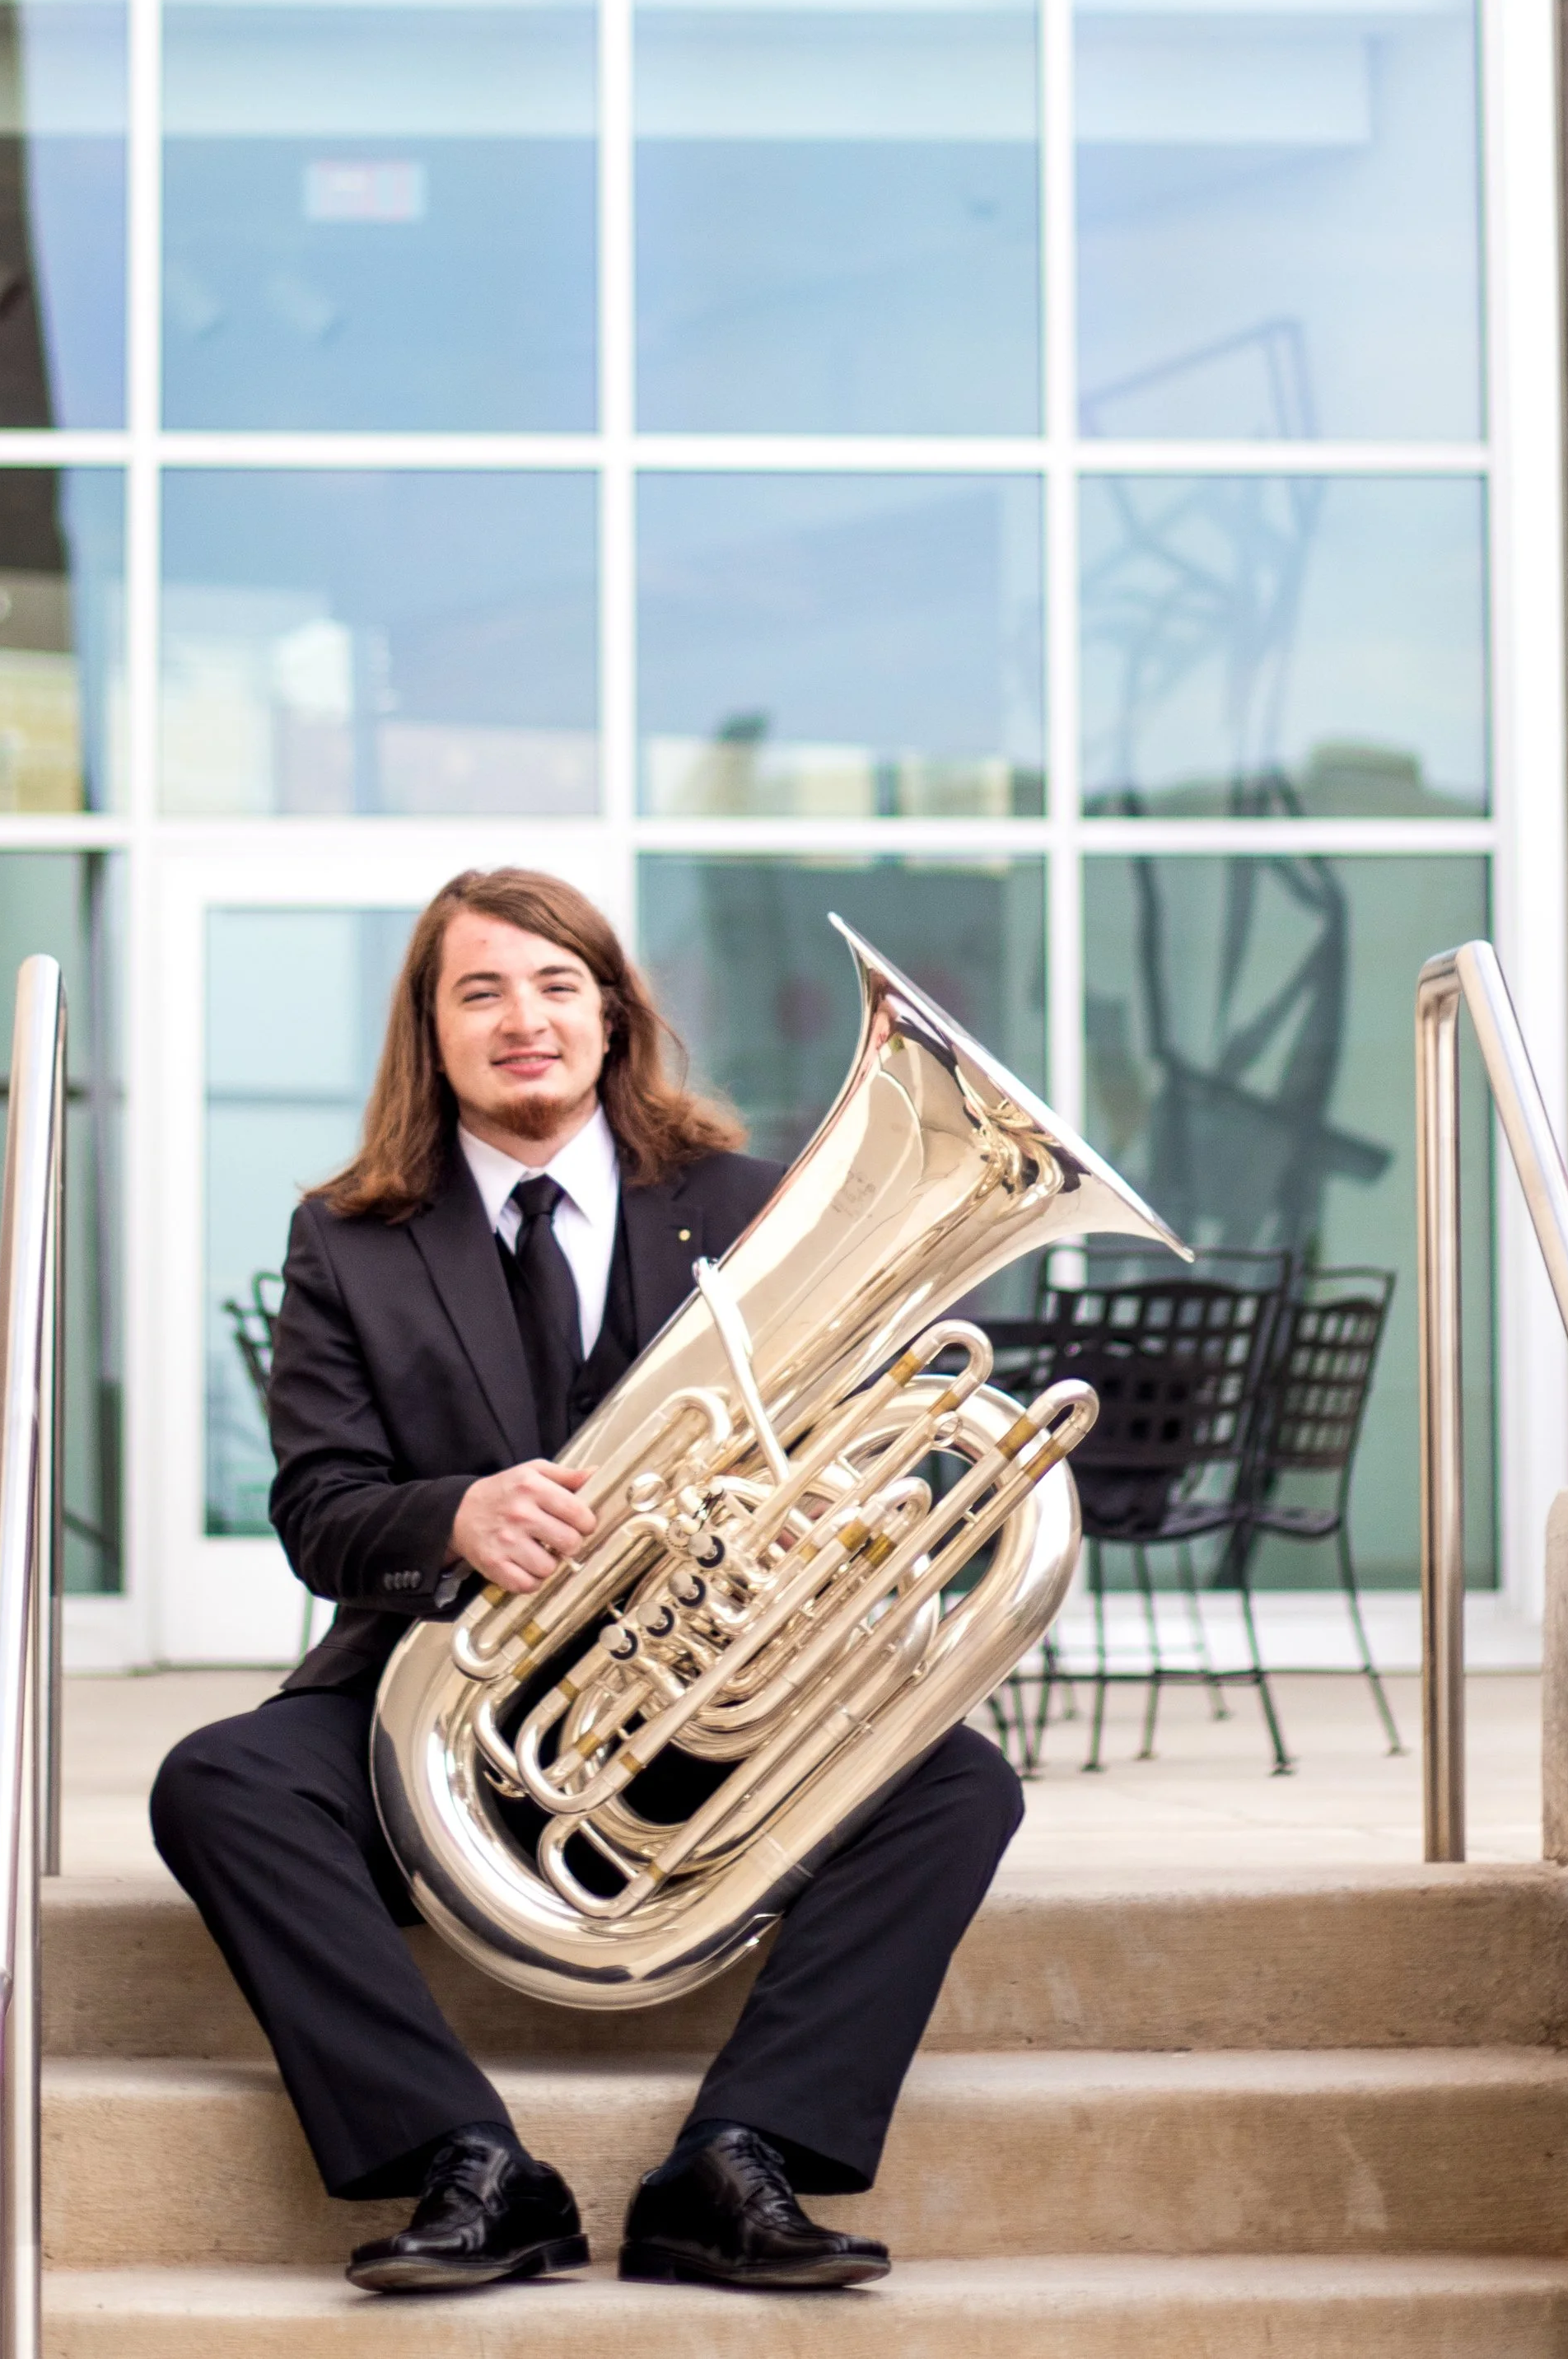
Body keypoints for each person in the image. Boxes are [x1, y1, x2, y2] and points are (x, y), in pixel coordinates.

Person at [152, 866, 1023, 2296]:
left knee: (956, 1782)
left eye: (558, 986)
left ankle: (737, 2161)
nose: (523, 1019)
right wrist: (453, 1518)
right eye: (479, 991)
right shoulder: (351, 1239)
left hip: (695, 1710)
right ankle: (469, 2164)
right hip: (436, 1709)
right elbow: (317, 1510)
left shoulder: (757, 1208)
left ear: (613, 1018)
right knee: (218, 1781)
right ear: (430, 1034)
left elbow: (856, 1453)